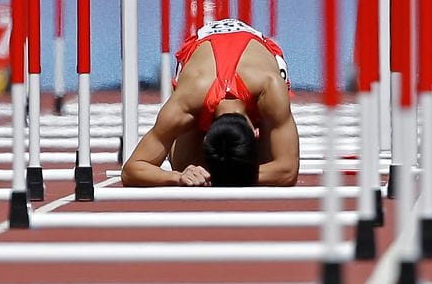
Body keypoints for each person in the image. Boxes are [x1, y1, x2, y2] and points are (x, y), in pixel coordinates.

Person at [121, 18, 299, 187]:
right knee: (186, 165)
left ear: (255, 131)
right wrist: (178, 177)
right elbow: (131, 170)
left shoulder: (270, 87)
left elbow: (287, 171)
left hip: (254, 52)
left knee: (266, 163)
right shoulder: (187, 101)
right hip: (202, 69)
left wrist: (223, 176)